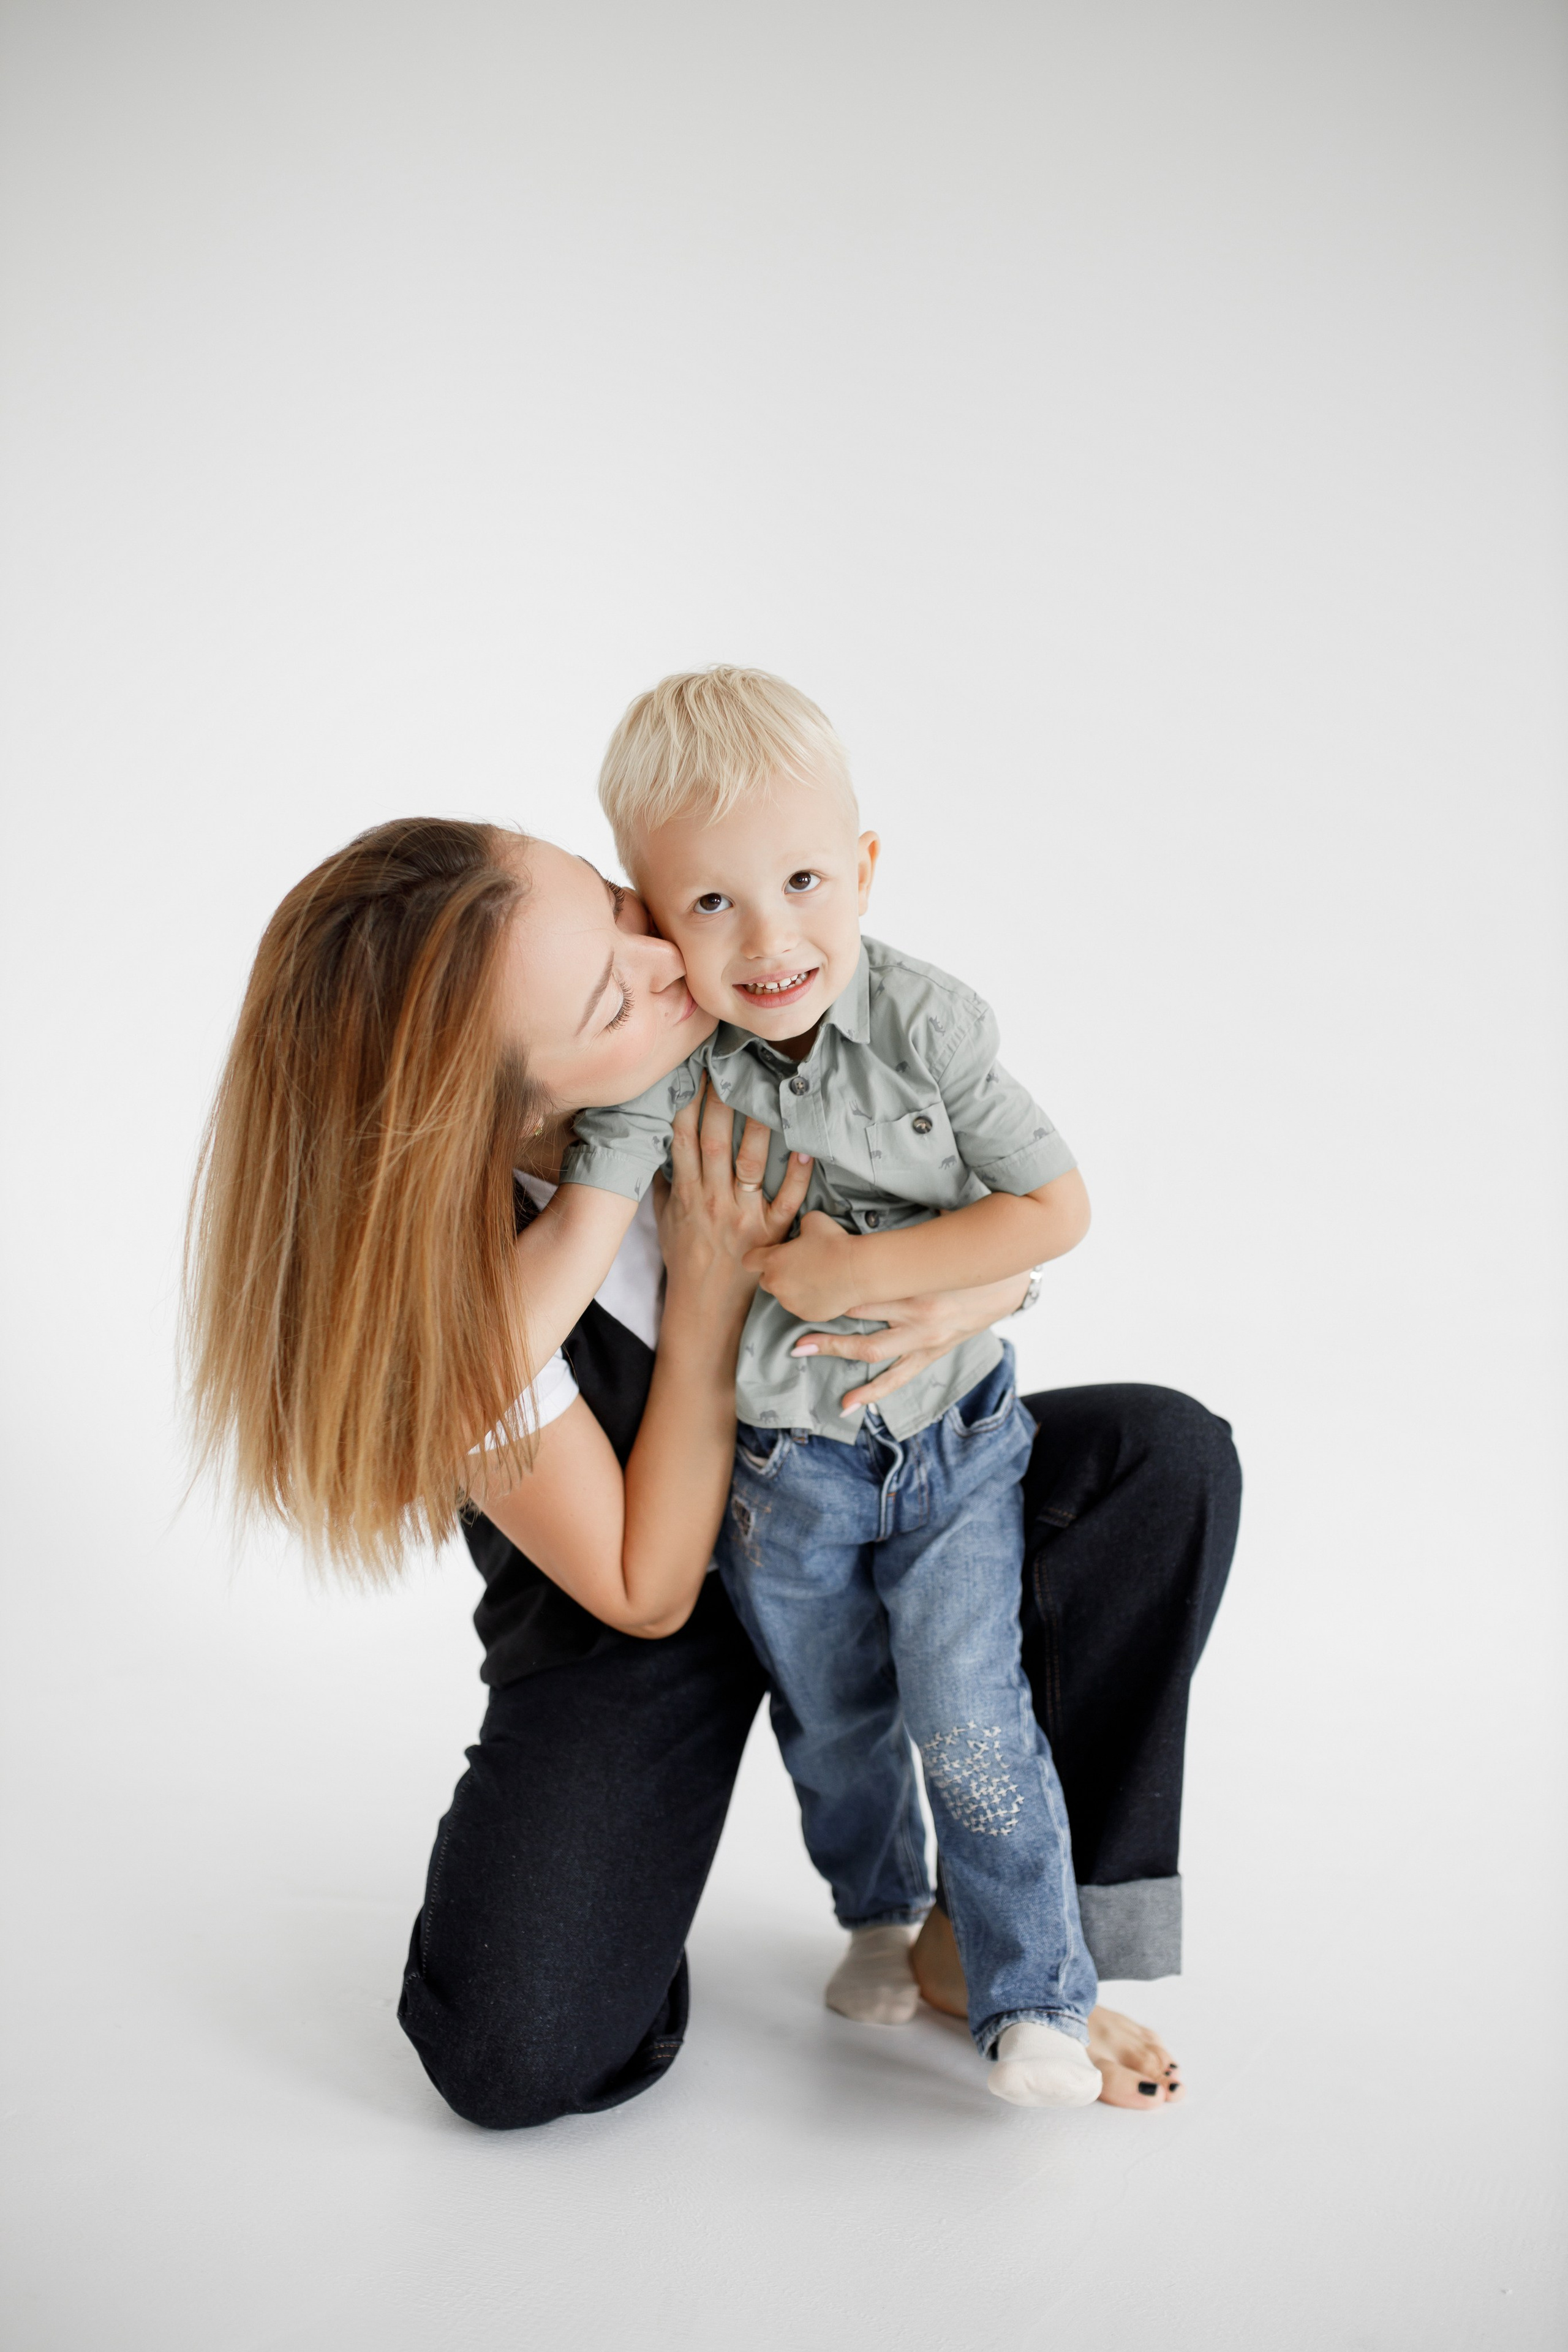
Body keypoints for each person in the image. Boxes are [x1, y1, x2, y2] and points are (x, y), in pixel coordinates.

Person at [183, 808, 1240, 2130]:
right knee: (510, 2053)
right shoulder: (444, 1290)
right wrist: (699, 1292)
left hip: (865, 1502)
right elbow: (645, 1590)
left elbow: (970, 1195)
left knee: (1157, 1461)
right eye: (607, 996)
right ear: (507, 1104)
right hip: (643, 1608)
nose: (666, 963)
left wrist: (976, 1290)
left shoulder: (742, 1006)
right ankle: (643, 1908)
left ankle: (1006, 1946)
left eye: (614, 903)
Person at [543, 669, 1098, 2103]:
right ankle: (875, 1916)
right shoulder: (667, 1064)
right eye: (711, 903)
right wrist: (488, 1345)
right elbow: (592, 1210)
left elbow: (1051, 1208)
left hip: (946, 1444)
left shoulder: (927, 1027)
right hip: (785, 1476)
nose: (769, 937)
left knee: (967, 1715)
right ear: (655, 924)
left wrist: (865, 1272)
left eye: (801, 882)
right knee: (835, 1723)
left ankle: (1033, 1996)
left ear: (862, 866)